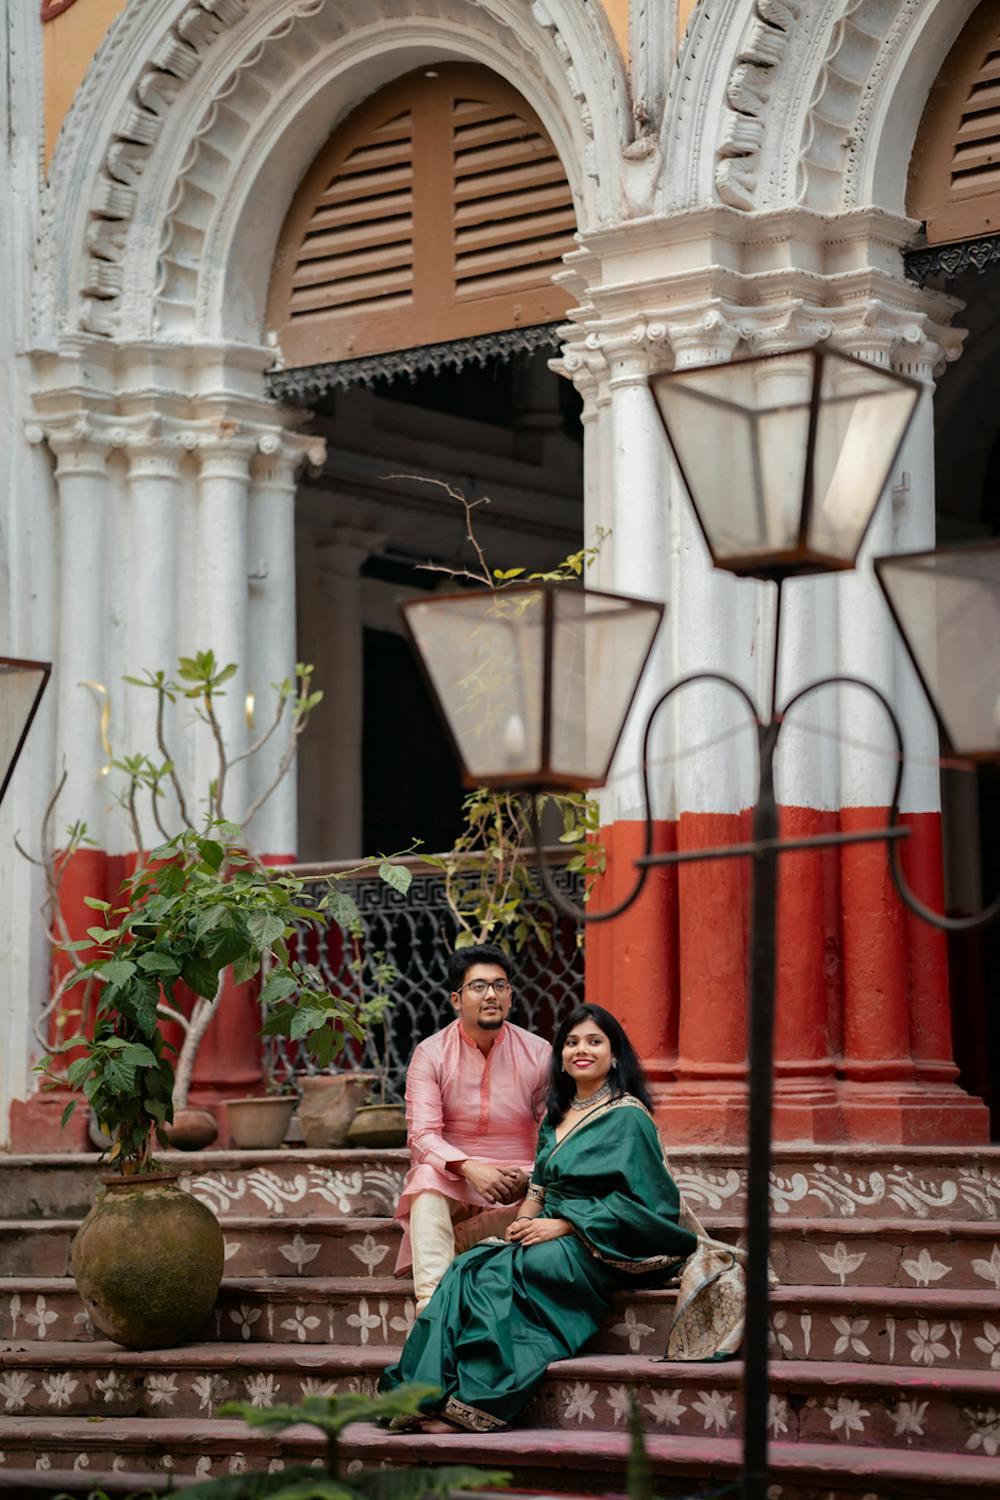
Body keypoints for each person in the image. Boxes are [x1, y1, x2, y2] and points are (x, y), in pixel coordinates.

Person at [381, 1002, 745, 1433]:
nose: (580, 1050)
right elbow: (540, 1187)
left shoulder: (628, 1117)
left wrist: (568, 1223)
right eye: (571, 1043)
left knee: (502, 1276)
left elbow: (648, 1206)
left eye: (594, 1041)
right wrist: (521, 1224)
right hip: (552, 1232)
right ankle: (422, 1393)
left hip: (604, 1244)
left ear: (615, 1055)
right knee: (469, 1265)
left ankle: (475, 1404)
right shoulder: (556, 1116)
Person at [394, 942, 551, 1312]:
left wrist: (530, 1176)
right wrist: (469, 1167)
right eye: (478, 987)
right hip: (459, 1179)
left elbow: (554, 1131)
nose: (491, 995)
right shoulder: (430, 1054)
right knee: (425, 1183)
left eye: (500, 985)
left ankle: (459, 1242)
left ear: (510, 996)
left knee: (564, 1192)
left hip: (523, 1182)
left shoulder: (539, 1052)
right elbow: (422, 1136)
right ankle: (432, 1304)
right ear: (456, 999)